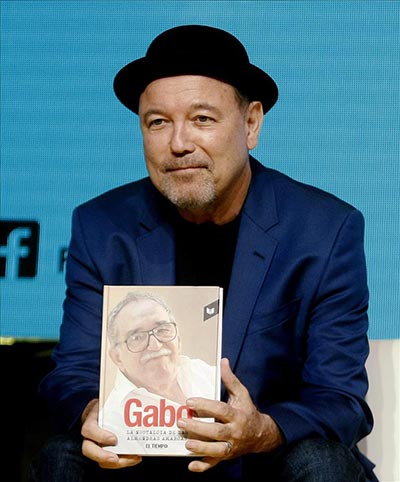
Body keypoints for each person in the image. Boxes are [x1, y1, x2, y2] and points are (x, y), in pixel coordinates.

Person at [29, 25, 378, 481]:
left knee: (321, 461)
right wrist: (91, 412)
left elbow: (341, 399)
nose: (178, 143)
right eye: (158, 123)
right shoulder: (101, 226)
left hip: (263, 466)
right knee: (63, 455)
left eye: (202, 120)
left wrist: (263, 430)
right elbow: (70, 374)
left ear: (251, 123)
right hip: (142, 464)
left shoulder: (326, 230)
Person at [99, 290, 217, 453]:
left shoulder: (207, 373)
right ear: (117, 358)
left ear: (179, 338)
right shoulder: (112, 423)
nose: (155, 345)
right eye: (137, 337)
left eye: (162, 330)